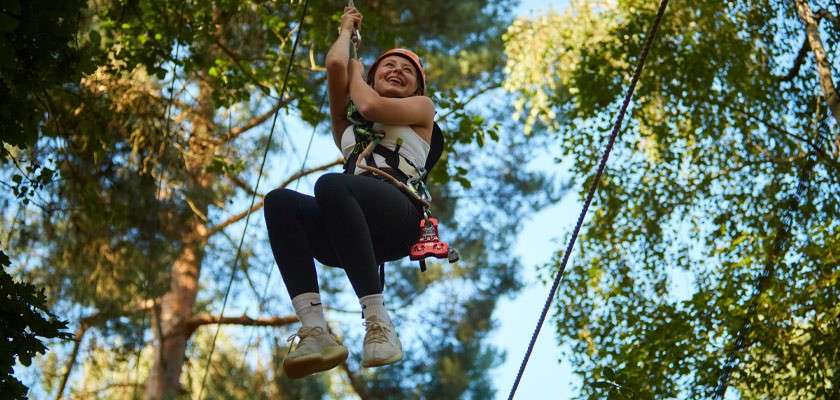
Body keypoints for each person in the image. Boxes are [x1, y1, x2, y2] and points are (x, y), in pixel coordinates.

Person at [262, 4, 435, 379]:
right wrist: (345, 31)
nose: (397, 71)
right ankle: (315, 331)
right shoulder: (345, 125)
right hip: (347, 233)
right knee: (280, 202)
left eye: (407, 71)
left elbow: (369, 105)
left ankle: (378, 323)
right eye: (389, 65)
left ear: (417, 88)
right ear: (374, 75)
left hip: (398, 218)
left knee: (331, 184)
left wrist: (359, 75)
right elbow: (336, 66)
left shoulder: (422, 109)